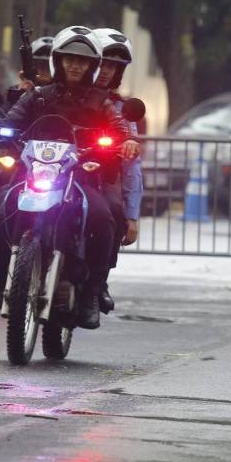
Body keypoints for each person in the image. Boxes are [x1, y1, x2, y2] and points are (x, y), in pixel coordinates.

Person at [0, 26, 135, 329]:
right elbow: (11, 121)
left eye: (83, 61)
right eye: (70, 59)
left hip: (80, 177)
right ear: (58, 61)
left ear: (91, 66)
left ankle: (92, 291)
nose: (75, 65)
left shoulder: (101, 101)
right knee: (3, 204)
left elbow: (118, 129)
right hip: (35, 171)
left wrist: (124, 141)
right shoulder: (38, 96)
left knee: (103, 216)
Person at [0, 35, 57, 310]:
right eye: (37, 64)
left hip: (60, 172)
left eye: (49, 63)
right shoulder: (17, 94)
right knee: (1, 211)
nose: (43, 69)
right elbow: (1, 119)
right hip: (21, 168)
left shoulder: (66, 96)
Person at [92, 27, 145, 313]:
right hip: (54, 173)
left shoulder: (121, 108)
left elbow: (131, 163)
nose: (106, 71)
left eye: (114, 66)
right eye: (101, 62)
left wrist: (132, 214)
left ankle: (97, 284)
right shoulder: (58, 94)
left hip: (100, 179)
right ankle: (2, 276)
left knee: (111, 212)